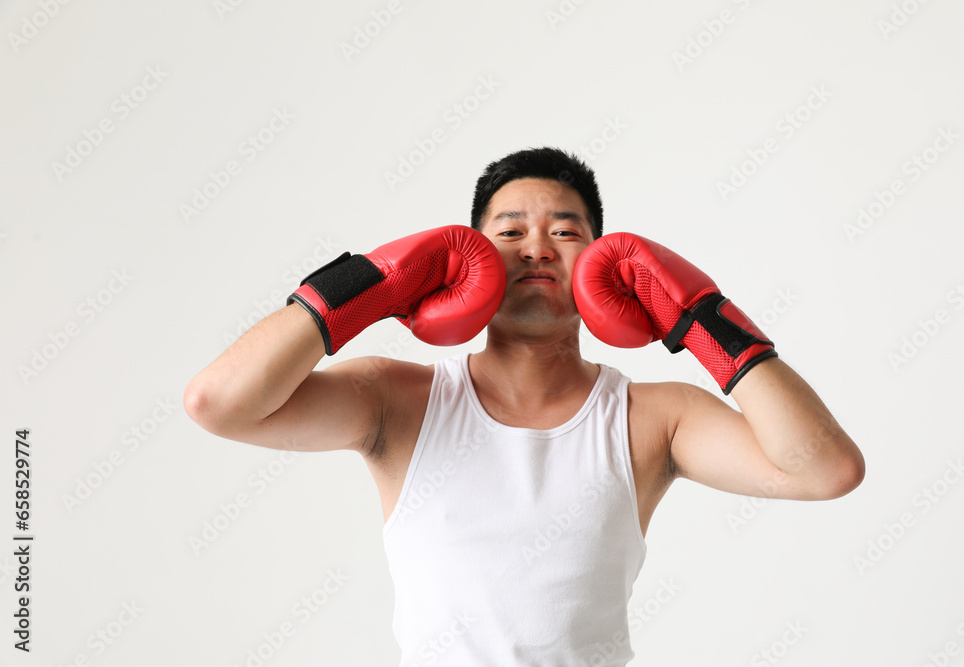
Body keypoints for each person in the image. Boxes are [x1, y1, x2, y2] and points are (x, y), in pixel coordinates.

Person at [184, 146, 864, 666]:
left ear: (604, 260)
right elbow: (220, 403)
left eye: (565, 233)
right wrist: (368, 286)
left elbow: (825, 468)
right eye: (509, 233)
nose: (537, 247)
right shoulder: (398, 400)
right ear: (467, 256)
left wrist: (701, 319)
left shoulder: (656, 417)